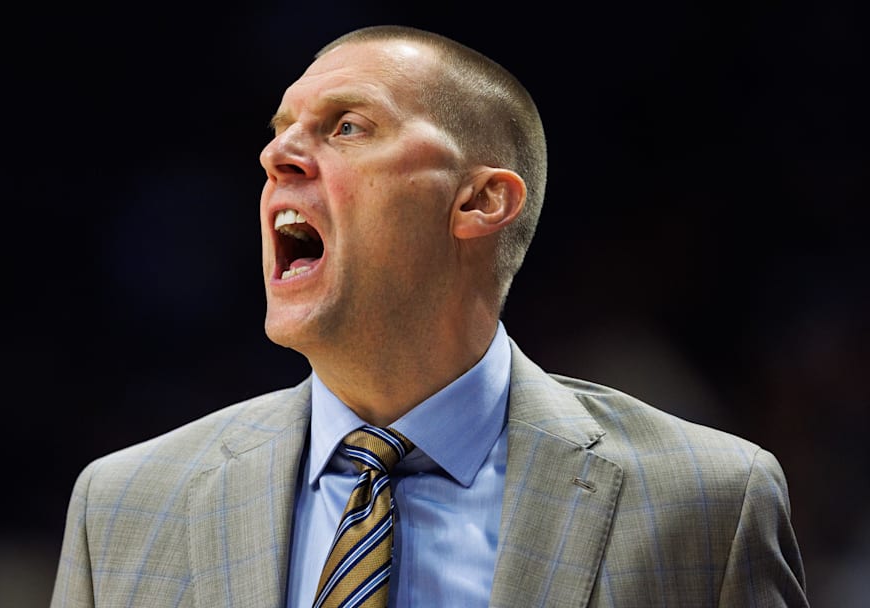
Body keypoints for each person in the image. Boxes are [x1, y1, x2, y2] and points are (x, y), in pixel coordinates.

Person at [49, 24, 807, 607]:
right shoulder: (123, 505)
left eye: (348, 126)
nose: (278, 155)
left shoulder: (708, 502)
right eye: (280, 129)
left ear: (480, 201)